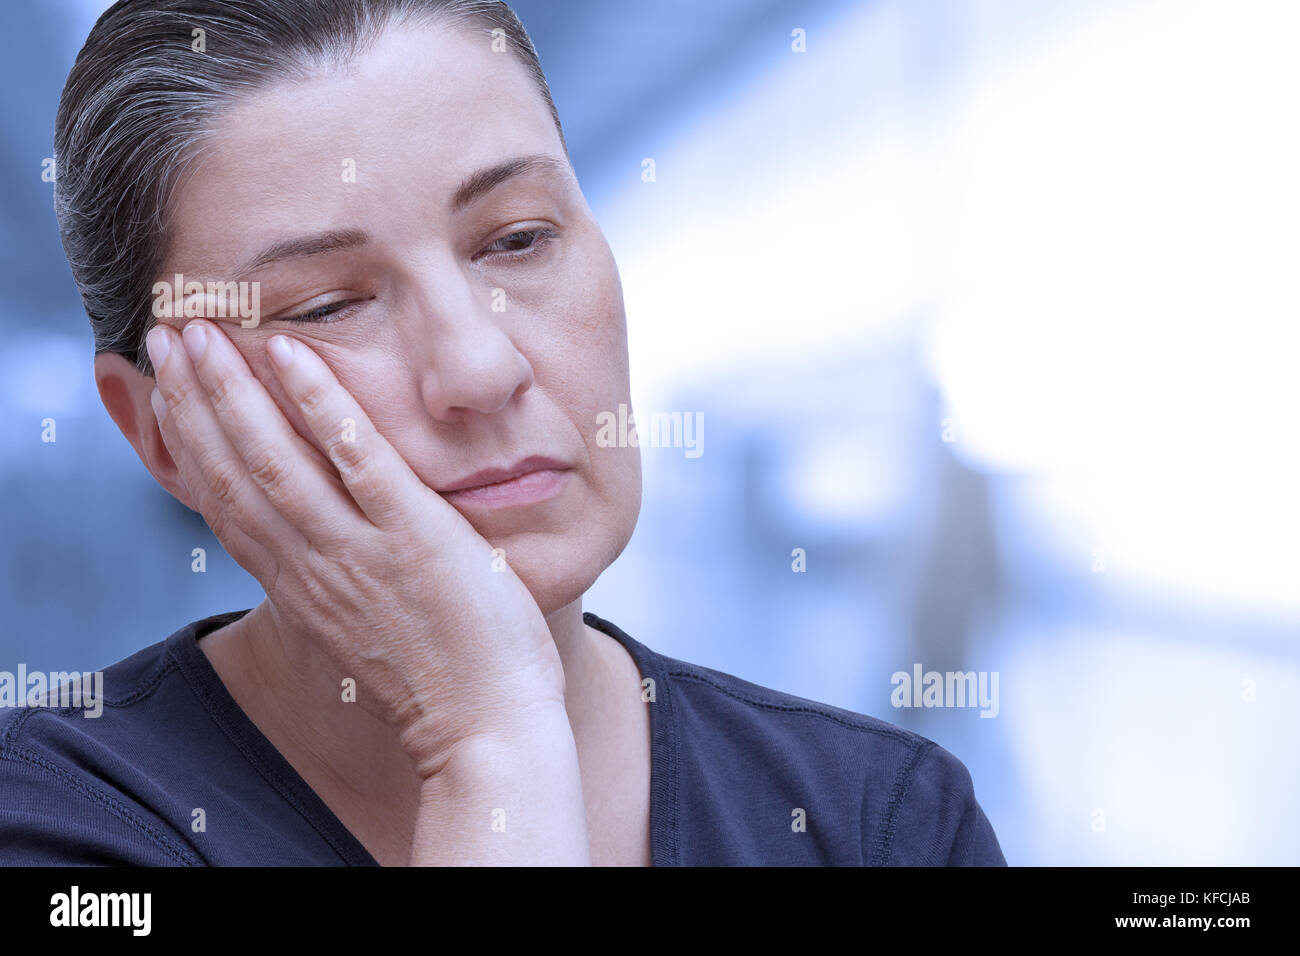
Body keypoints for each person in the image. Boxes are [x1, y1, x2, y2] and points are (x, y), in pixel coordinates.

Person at [0, 0, 1006, 866]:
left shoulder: (882, 815)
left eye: (519, 239)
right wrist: (486, 746)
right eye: (326, 306)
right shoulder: (58, 823)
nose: (482, 368)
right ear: (162, 430)